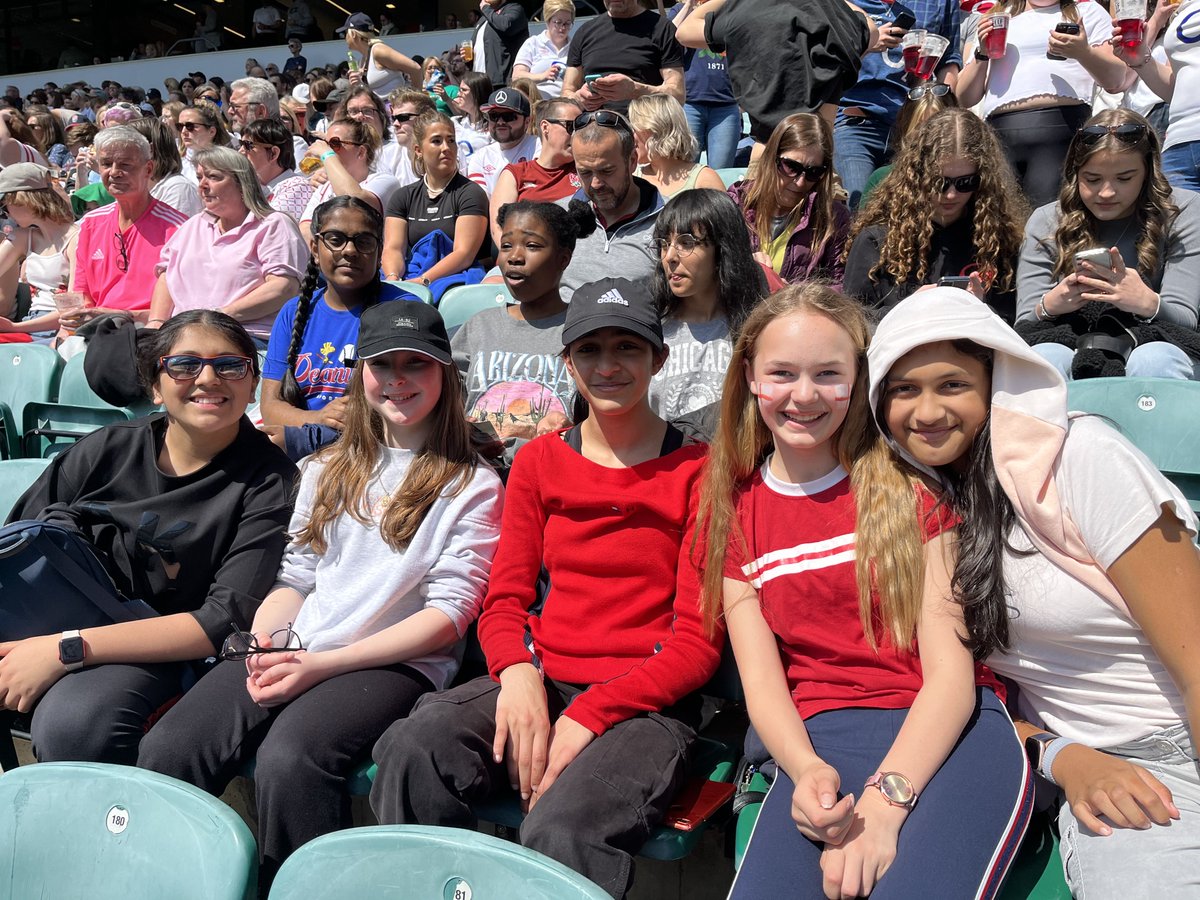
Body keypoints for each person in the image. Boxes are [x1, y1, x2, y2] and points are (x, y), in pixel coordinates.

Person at [369, 277, 722, 899]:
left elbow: (696, 642)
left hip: (645, 705)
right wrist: (519, 675)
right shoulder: (538, 461)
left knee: (564, 826)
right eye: (589, 350)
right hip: (547, 675)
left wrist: (590, 713)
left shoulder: (698, 470)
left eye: (627, 348)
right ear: (567, 361)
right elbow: (504, 600)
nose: (607, 366)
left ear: (658, 359)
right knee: (413, 750)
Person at [139, 301, 503, 893]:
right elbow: (296, 577)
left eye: (419, 365)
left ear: (446, 375)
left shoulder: (471, 484)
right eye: (384, 365)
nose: (399, 380)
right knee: (172, 745)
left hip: (393, 662)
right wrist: (263, 643)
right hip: (305, 641)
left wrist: (321, 664)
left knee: (291, 761)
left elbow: (448, 615)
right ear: (361, 373)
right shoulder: (325, 466)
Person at [698, 283, 1032, 900]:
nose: (804, 395)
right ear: (749, 376)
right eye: (782, 373)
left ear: (859, 379)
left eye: (829, 374)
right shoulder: (734, 511)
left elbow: (951, 680)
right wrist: (804, 773)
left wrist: (886, 804)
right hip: (820, 741)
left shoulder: (911, 490)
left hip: (947, 734)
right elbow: (764, 683)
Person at [867, 286, 1200, 900]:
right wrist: (1063, 757)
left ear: (995, 386)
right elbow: (970, 699)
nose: (928, 411)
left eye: (952, 385)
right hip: (1117, 776)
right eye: (904, 389)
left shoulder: (1080, 459)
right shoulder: (918, 517)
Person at [0, 311, 296, 765]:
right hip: (48, 621)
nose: (208, 378)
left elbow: (222, 620)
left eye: (231, 366)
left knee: (76, 725)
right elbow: (18, 542)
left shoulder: (269, 482)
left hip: (161, 652)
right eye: (185, 365)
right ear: (155, 385)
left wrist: (65, 649)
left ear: (252, 385)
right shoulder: (107, 449)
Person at [1015, 108, 1200, 380]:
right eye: (1092, 179)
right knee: (1048, 358)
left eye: (1124, 178)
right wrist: (1052, 304)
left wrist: (1146, 301)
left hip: (1157, 347)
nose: (1106, 192)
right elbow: (1024, 323)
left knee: (1154, 359)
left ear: (1148, 172)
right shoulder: (1046, 220)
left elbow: (1186, 319)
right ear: (1074, 173)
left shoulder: (1183, 210)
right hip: (1073, 341)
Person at [261, 196, 411, 459]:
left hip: (372, 449)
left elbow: (411, 403)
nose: (349, 251)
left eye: (364, 241)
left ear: (379, 253)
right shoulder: (293, 312)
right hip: (300, 442)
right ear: (315, 249)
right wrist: (318, 418)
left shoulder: (402, 309)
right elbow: (270, 406)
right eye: (335, 239)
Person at [845, 108, 1027, 322]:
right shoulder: (876, 240)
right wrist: (912, 308)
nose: (951, 194)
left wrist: (980, 310)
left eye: (965, 183)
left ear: (984, 181)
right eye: (939, 183)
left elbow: (1012, 322)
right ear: (917, 176)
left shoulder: (998, 242)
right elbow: (853, 321)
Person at [955, 0, 1126, 208]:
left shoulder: (1087, 11)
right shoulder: (997, 14)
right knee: (1002, 224)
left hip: (1060, 129)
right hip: (1000, 135)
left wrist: (1083, 52)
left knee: (1048, 222)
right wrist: (982, 53)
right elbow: (964, 98)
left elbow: (1116, 79)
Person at [453, 199, 595, 439]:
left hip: (552, 466)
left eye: (531, 245)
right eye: (506, 245)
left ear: (563, 259)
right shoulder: (479, 326)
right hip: (481, 467)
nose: (514, 257)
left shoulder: (584, 330)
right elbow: (447, 401)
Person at [148, 147, 306, 346]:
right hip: (184, 337)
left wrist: (218, 318)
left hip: (245, 337)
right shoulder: (193, 226)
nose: (203, 185)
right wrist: (156, 322)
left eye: (214, 177)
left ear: (242, 183)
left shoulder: (272, 225)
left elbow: (283, 287)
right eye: (199, 178)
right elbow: (167, 275)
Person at [673, 0, 874, 155]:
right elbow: (871, 31)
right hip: (816, 158)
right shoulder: (832, 18)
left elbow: (684, 32)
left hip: (766, 152)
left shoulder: (749, 12)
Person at [648, 189, 766, 420]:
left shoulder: (758, 330)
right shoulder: (649, 327)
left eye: (686, 242)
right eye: (664, 243)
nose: (670, 256)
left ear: (723, 250)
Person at [69, 126, 189, 326]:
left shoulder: (177, 228)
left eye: (125, 165)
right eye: (106, 164)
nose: (115, 172)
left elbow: (182, 306)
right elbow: (82, 294)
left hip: (152, 331)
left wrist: (118, 315)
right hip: (95, 331)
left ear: (148, 170)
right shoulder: (91, 223)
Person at [727, 113, 850, 287]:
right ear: (771, 158)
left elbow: (841, 288)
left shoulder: (834, 218)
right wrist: (743, 267)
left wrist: (797, 297)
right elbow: (708, 271)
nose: (800, 182)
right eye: (791, 167)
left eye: (813, 172)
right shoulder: (735, 203)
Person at [382, 111, 489, 288]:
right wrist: (393, 280)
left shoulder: (470, 192)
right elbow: (393, 248)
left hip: (453, 279)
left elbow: (464, 254)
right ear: (418, 150)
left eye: (451, 140)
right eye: (436, 141)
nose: (446, 147)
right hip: (412, 275)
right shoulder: (403, 196)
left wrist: (423, 280)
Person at [1116, 0, 1200, 190]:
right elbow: (1175, 89)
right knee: (1173, 218)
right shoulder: (1184, 7)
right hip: (1179, 144)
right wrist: (1141, 60)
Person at [562, 0, 684, 117]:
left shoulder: (662, 28)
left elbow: (678, 95)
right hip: (594, 129)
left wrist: (635, 90)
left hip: (642, 128)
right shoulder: (585, 32)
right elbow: (567, 92)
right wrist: (579, 98)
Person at [0, 163, 79, 343]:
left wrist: (15, 328)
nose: (6, 215)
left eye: (5, 207)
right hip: (30, 325)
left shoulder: (76, 239)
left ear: (22, 201)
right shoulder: (22, 237)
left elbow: (73, 311)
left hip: (61, 330)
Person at [488, 96, 582, 246]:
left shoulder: (585, 170)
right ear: (545, 127)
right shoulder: (515, 174)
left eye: (581, 127)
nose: (578, 134)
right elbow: (499, 229)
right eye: (571, 126)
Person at [858, 82, 960, 208]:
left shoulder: (969, 178)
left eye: (937, 127)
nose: (928, 136)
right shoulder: (882, 178)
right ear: (907, 130)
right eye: (919, 128)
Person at [298, 117, 401, 241]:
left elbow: (355, 203)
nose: (329, 149)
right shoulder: (325, 187)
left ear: (361, 152)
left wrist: (326, 154)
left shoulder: (385, 181)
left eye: (335, 144)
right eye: (326, 144)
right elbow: (305, 227)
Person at [667, 0, 740, 171]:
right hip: (690, 103)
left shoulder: (732, 8)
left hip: (726, 106)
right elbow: (668, 38)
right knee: (684, 170)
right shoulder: (681, 9)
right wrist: (689, 6)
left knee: (722, 172)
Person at [629, 94, 725, 199]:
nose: (630, 136)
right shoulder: (631, 178)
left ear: (655, 131)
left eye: (634, 129)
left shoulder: (704, 179)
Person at [240, 117, 315, 222]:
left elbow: (268, 227)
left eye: (247, 145)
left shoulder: (297, 186)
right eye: (241, 144)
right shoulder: (245, 183)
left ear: (274, 153)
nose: (240, 151)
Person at [468, 88, 539, 195]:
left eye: (509, 116)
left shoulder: (539, 148)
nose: (500, 122)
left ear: (527, 122)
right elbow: (480, 200)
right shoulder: (480, 157)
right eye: (494, 116)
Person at [128, 116, 203, 218]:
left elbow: (176, 232)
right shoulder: (138, 187)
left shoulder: (178, 189)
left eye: (127, 147)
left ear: (150, 149)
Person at [336, 13, 422, 100]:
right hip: (380, 111)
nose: (345, 38)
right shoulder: (362, 60)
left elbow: (415, 69)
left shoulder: (378, 50)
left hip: (395, 108)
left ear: (353, 34)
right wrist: (358, 84)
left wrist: (416, 100)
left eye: (346, 33)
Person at [336, 85, 408, 180]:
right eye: (353, 111)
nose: (360, 116)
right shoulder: (340, 156)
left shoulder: (399, 151)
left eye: (367, 111)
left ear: (381, 115)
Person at [512, 0, 574, 100]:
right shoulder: (533, 43)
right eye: (558, 23)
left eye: (567, 23)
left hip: (566, 104)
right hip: (537, 103)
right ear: (547, 21)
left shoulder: (575, 47)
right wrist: (543, 76)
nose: (563, 28)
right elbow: (517, 77)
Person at [470, 0, 530, 87]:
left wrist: (486, 9)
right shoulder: (484, 18)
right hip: (480, 82)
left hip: (502, 81)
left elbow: (506, 25)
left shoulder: (514, 9)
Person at [387, 89, 436, 188]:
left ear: (426, 119)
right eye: (393, 118)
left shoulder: (448, 151)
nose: (395, 124)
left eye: (403, 118)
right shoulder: (387, 156)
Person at [449, 71, 494, 173]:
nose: (458, 94)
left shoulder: (493, 128)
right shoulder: (453, 123)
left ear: (477, 93)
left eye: (463, 90)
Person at [178, 100, 232, 185]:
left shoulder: (228, 162)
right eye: (180, 126)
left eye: (190, 126)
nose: (184, 131)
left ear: (211, 131)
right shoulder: (178, 166)